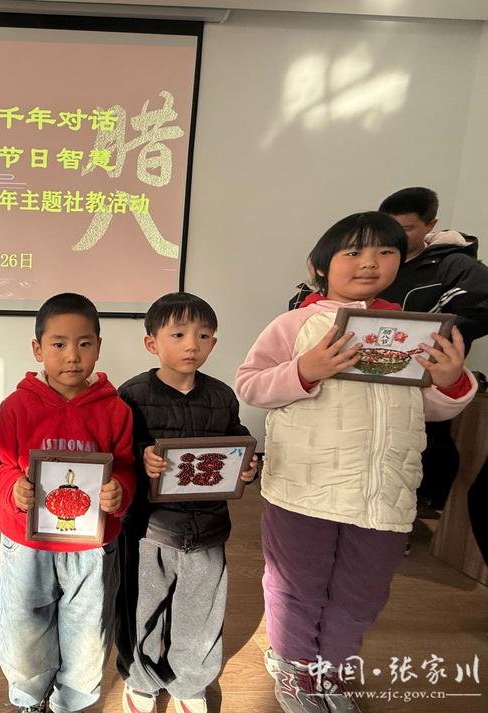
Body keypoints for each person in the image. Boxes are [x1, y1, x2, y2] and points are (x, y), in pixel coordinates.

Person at [236, 211, 476, 713]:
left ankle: (332, 671)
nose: (369, 262)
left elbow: (427, 407)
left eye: (385, 252)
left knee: (362, 592)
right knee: (296, 585)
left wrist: (451, 380)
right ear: (319, 266)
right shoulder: (295, 324)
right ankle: (296, 668)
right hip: (304, 489)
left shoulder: (413, 329)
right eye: (353, 252)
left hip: (384, 493)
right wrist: (305, 370)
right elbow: (251, 385)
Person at [0, 292, 136, 713]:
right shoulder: (15, 407)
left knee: (89, 631)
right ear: (37, 349)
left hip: (91, 547)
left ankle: (71, 702)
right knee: (22, 628)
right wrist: (12, 487)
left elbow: (126, 467)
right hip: (26, 543)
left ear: (98, 347)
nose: (72, 355)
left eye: (84, 343)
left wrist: (119, 492)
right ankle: (29, 697)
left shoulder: (116, 410)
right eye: (58, 344)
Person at [115, 293, 258, 713]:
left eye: (203, 335)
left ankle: (190, 682)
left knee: (201, 611)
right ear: (152, 343)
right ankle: (141, 680)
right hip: (149, 529)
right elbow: (118, 452)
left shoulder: (222, 395)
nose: (192, 344)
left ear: (214, 343)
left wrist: (248, 466)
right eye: (178, 334)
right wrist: (141, 455)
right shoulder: (132, 394)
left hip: (208, 527)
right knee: (142, 608)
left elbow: (236, 442)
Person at [377, 187, 488, 509]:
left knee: (422, 439)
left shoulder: (452, 264)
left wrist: (429, 339)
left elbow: (480, 308)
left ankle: (418, 509)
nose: (396, 235)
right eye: (390, 226)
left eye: (407, 228)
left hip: (427, 376)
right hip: (375, 369)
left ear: (430, 225)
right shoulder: (378, 261)